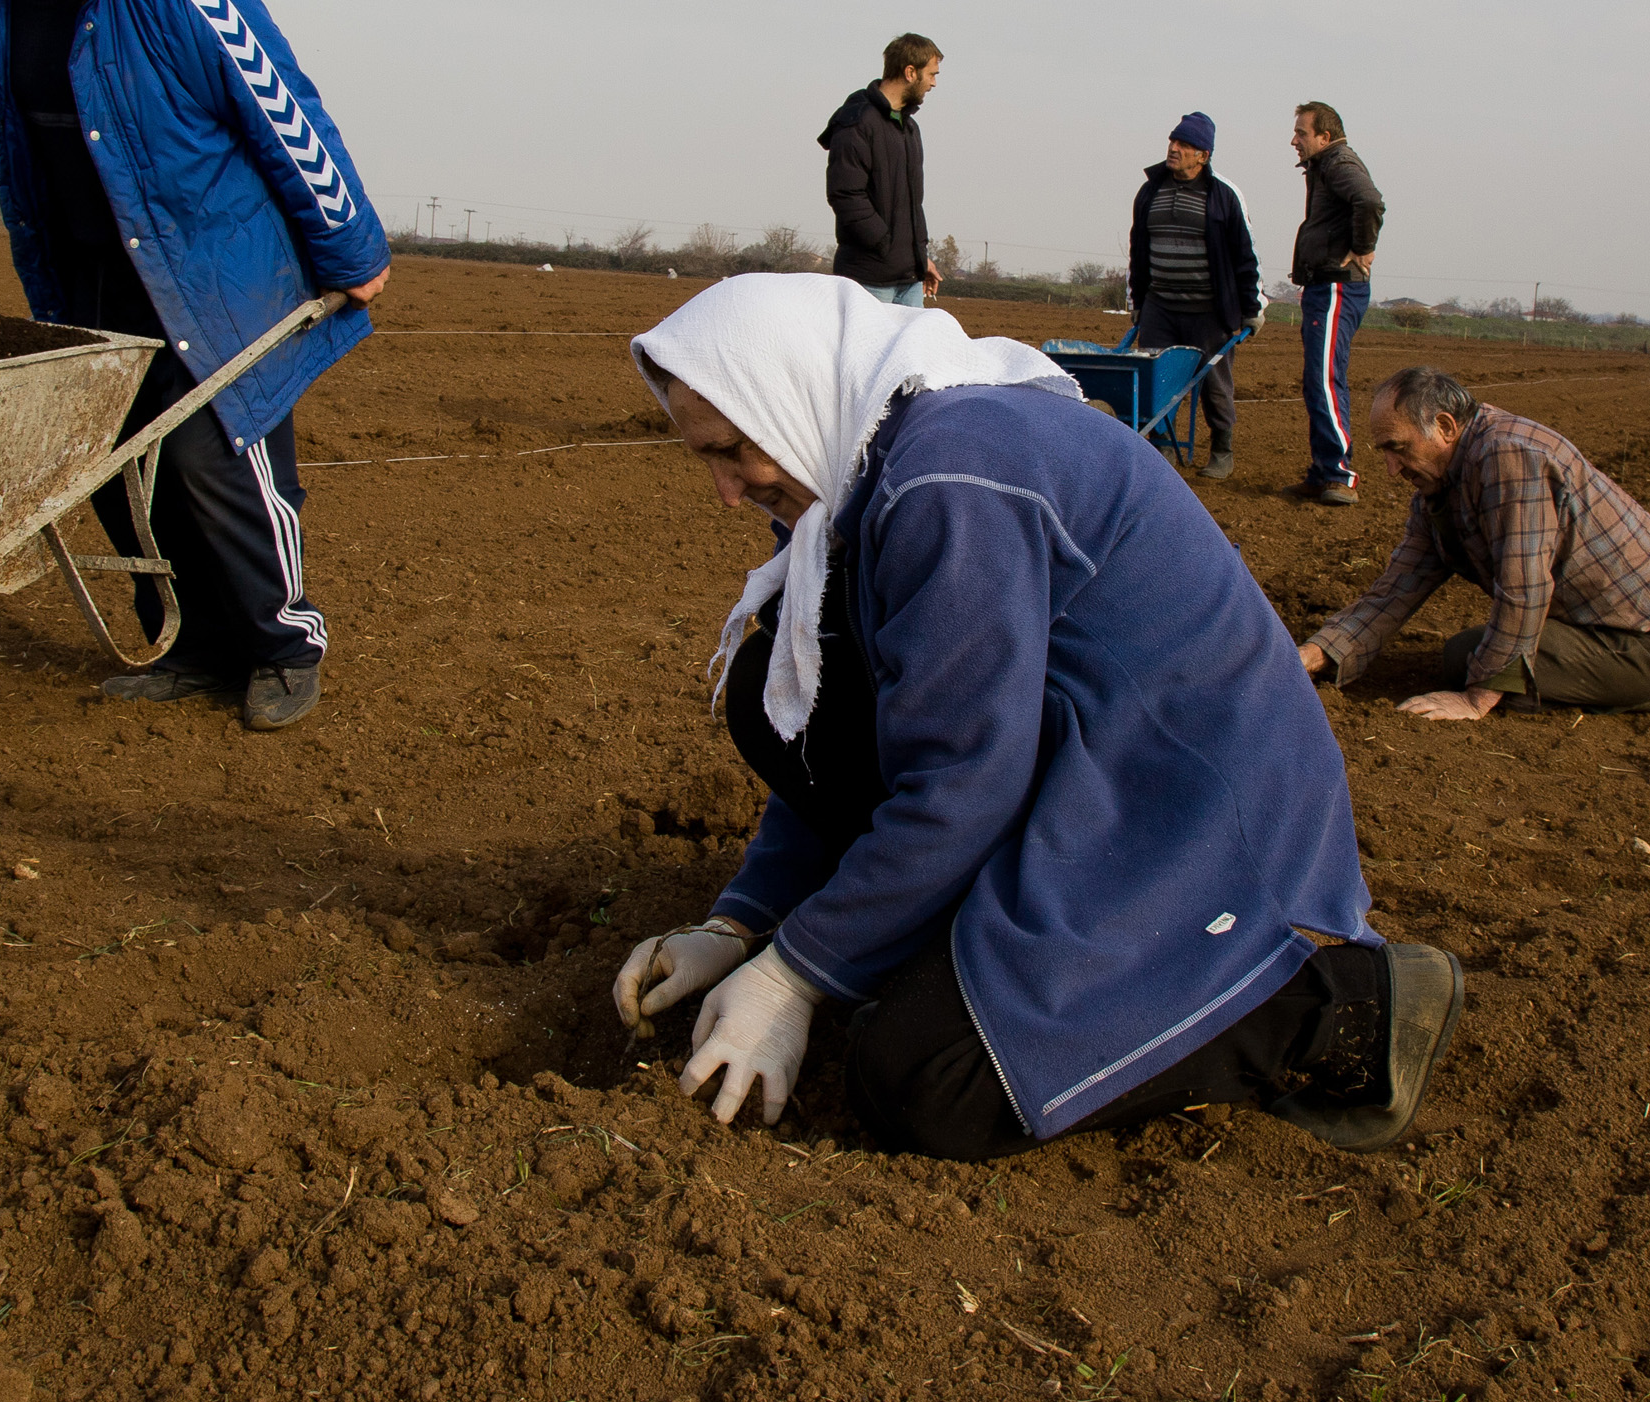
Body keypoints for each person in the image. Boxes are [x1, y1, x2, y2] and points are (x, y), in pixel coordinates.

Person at [606, 274, 1466, 1160]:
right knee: (768, 687)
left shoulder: (951, 476)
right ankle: (930, 925)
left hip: (1178, 799)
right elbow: (837, 725)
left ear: (784, 397)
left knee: (925, 1080)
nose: (724, 491)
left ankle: (1330, 1002)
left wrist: (795, 975)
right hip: (1067, 759)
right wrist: (739, 923)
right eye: (704, 457)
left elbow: (964, 776)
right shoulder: (847, 477)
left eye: (732, 449)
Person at [0, 0, 393, 733]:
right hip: (90, 274)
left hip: (211, 271)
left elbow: (280, 105)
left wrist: (349, 242)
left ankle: (282, 643)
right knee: (116, 464)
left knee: (211, 456)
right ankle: (188, 641)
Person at [1300, 365, 1650, 718]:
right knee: (1472, 652)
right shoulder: (1440, 490)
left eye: (1398, 448)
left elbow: (1524, 588)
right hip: (1603, 623)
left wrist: (1477, 699)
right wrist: (1317, 654)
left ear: (1444, 427)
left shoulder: (1508, 458)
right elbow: (1395, 590)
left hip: (1643, 638)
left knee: (1468, 661)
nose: (1391, 468)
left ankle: (1645, 686)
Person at [1124, 111, 1260, 478]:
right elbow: (1139, 250)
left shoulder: (1223, 196)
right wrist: (1137, 301)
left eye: (1185, 144)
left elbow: (1244, 255)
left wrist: (1251, 308)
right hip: (1160, 306)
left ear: (1204, 155)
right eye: (1173, 141)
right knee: (1157, 380)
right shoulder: (1151, 190)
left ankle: (1221, 449)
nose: (1175, 149)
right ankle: (1163, 447)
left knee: (1214, 382)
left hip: (1208, 311)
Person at [1287, 103, 1384, 505]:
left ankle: (1338, 473)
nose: (1294, 141)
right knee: (1318, 379)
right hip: (1323, 285)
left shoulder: (1339, 162)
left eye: (1301, 133)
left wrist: (1362, 248)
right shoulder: (1326, 165)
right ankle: (1323, 468)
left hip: (1336, 287)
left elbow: (1369, 201)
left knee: (1324, 379)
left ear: (1324, 137)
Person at [820, 37, 943, 306]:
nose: (934, 83)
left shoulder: (909, 128)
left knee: (914, 349)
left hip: (909, 280)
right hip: (869, 280)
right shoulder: (857, 121)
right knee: (868, 349)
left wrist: (918, 259)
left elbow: (907, 207)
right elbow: (846, 195)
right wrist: (884, 245)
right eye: (931, 74)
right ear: (910, 72)